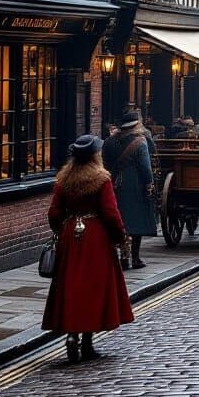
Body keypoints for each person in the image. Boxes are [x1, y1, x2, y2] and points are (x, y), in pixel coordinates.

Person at [42, 135, 133, 363]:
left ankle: (72, 336)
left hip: (70, 236)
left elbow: (54, 213)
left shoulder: (64, 180)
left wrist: (63, 229)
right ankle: (88, 343)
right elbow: (111, 213)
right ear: (95, 155)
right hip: (95, 238)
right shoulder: (102, 179)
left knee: (71, 286)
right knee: (92, 289)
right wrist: (120, 236)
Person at [102, 111, 157, 269]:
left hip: (112, 185)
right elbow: (146, 169)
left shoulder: (109, 142)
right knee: (135, 222)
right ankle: (135, 258)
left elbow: (104, 164)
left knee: (120, 221)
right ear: (136, 124)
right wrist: (149, 185)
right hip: (134, 186)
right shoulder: (140, 142)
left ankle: (123, 257)